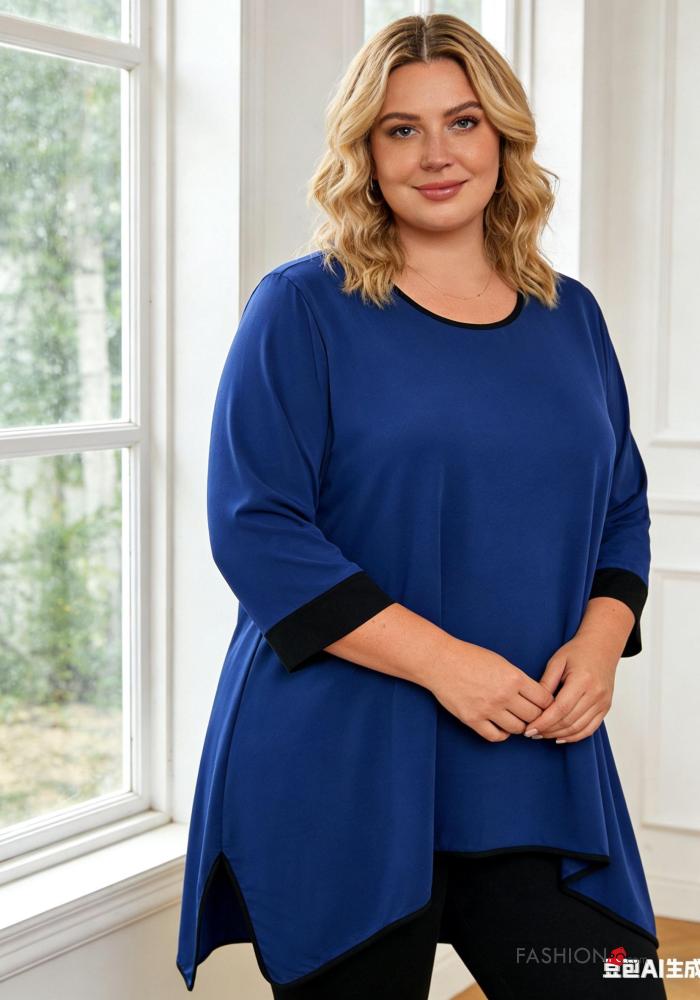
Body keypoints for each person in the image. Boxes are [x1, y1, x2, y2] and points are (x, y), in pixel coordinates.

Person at [176, 13, 667, 999]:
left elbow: (623, 505)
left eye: (463, 122)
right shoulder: (301, 308)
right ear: (364, 151)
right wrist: (448, 665)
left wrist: (602, 639)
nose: (437, 154)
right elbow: (256, 527)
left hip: (527, 755)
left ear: (504, 137)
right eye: (401, 129)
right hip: (342, 757)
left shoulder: (571, 315)